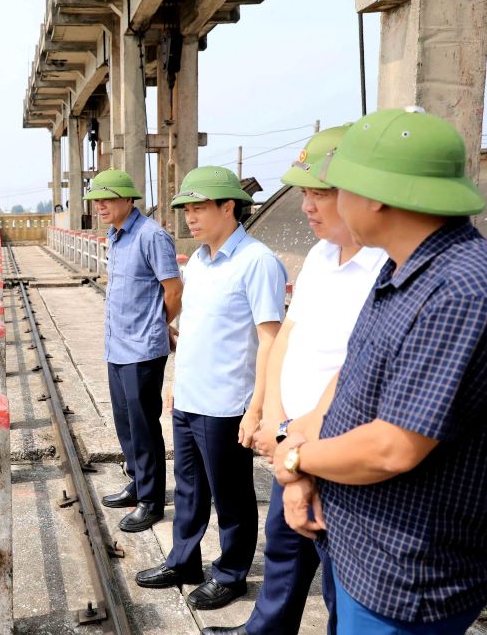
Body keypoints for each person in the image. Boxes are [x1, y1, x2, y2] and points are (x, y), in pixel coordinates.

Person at [273, 107, 487, 634]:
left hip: (404, 567)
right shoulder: (401, 267)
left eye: (338, 188)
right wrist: (300, 448)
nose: (329, 203)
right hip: (357, 542)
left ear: (375, 196)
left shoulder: (459, 290)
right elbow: (350, 375)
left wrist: (296, 455)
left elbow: (395, 446)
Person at [202, 126, 388, 635]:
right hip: (294, 438)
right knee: (283, 548)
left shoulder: (385, 267)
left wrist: (294, 438)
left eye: (319, 193)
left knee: (340, 578)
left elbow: (358, 372)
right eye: (304, 193)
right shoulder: (321, 258)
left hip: (339, 442)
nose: (307, 205)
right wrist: (275, 419)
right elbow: (285, 338)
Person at [136, 166, 287, 611]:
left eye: (199, 207)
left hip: (228, 403)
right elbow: (195, 328)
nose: (190, 217)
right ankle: (184, 561)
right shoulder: (199, 260)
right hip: (190, 397)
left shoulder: (257, 262)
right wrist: (175, 383)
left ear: (229, 207)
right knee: (188, 488)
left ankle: (232, 572)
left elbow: (270, 341)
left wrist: (256, 409)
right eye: (186, 208)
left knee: (232, 495)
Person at [85, 169, 183, 532]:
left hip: (142, 348)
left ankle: (151, 500)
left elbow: (173, 290)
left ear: (129, 200)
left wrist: (160, 324)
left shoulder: (151, 236)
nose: (101, 206)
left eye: (108, 199)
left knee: (144, 426)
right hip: (117, 346)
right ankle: (138, 482)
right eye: (97, 200)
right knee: (125, 422)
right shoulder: (115, 236)